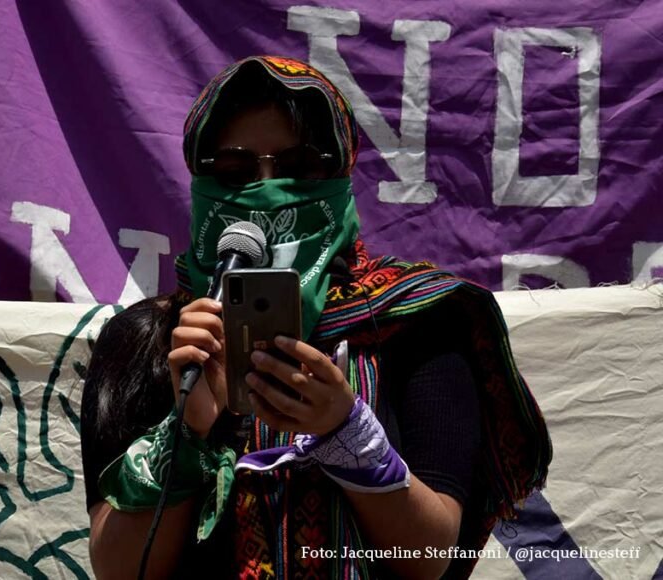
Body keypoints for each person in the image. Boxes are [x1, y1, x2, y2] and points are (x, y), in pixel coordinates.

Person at [80, 56, 551, 579]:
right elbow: (118, 570)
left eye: (300, 167)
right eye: (235, 172)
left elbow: (430, 558)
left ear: (342, 173)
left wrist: (344, 431)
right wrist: (185, 433)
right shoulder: (147, 341)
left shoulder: (421, 321)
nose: (267, 191)